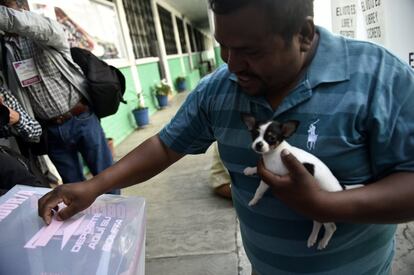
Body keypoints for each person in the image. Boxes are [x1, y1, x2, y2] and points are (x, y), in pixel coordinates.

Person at [38, 0, 414, 274]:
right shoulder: (218, 90)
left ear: (302, 34)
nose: (232, 64)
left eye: (250, 51)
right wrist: (96, 185)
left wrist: (326, 206)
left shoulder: (379, 78)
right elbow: (166, 144)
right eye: (225, 46)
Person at [0, 1, 116, 191]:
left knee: (107, 178)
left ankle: (121, 218)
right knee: (73, 189)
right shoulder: (5, 50)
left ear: (24, 8)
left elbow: (26, 24)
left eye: (7, 8)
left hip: (81, 119)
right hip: (51, 131)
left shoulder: (47, 31)